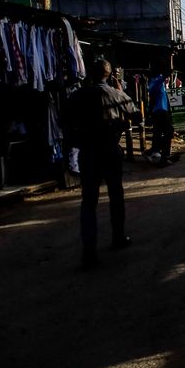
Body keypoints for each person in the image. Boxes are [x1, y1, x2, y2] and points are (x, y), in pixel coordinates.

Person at [64, 59, 137, 270]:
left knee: (89, 202)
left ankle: (89, 252)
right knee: (116, 194)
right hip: (110, 149)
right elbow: (134, 113)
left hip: (88, 153)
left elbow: (66, 123)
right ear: (109, 73)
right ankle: (118, 237)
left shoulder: (77, 96)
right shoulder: (116, 94)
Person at [147, 67, 174, 167]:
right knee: (168, 131)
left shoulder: (158, 81)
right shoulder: (155, 81)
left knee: (159, 133)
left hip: (161, 110)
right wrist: (164, 75)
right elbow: (152, 88)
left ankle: (154, 151)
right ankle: (163, 156)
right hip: (159, 110)